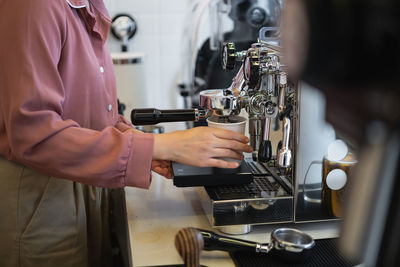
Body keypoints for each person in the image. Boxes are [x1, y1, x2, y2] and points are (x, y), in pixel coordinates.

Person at [0, 0, 252, 267]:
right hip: (42, 196)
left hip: (81, 175)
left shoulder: (84, 7)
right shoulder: (34, 5)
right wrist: (156, 145)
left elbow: (89, 115)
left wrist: (148, 147)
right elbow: (34, 136)